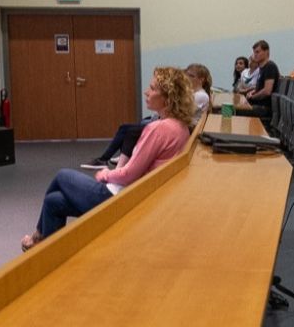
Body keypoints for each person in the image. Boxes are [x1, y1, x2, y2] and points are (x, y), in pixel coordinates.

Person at [22, 66, 194, 250]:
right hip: (138, 195)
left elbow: (130, 174)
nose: (147, 92)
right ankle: (46, 249)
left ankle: (40, 238)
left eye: (152, 89)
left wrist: (107, 174)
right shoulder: (181, 128)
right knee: (53, 201)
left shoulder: (159, 129)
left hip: (119, 198)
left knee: (62, 175)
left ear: (168, 99)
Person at [242, 39, 279, 117]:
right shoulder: (262, 68)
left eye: (257, 52)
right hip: (258, 105)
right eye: (254, 52)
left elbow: (267, 91)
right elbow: (260, 87)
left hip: (264, 108)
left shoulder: (270, 66)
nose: (255, 54)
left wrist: (253, 97)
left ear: (266, 52)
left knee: (236, 110)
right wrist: (253, 92)